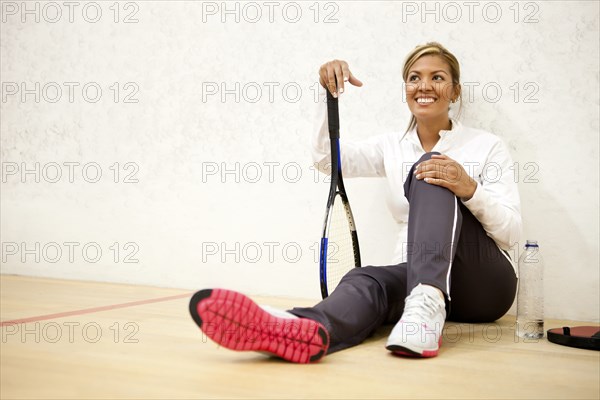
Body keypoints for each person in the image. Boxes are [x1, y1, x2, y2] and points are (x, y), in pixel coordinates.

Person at [189, 42, 521, 363]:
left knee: (432, 166)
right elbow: (325, 159)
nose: (425, 85)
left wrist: (468, 188)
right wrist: (327, 96)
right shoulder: (391, 146)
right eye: (415, 77)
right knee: (366, 280)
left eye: (437, 77)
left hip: (483, 285)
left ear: (455, 91)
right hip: (417, 280)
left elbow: (511, 232)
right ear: (405, 87)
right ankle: (304, 327)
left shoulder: (486, 146)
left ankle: (425, 303)